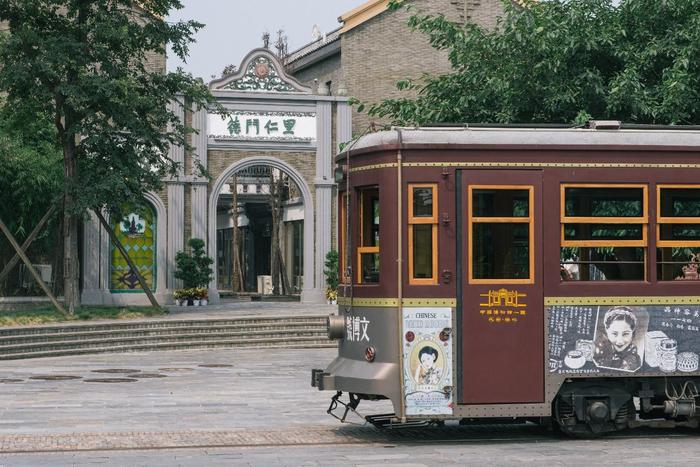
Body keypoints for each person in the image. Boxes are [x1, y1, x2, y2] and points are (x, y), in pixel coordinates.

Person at [594, 306, 642, 371]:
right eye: (614, 334)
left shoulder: (634, 360)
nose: (620, 341)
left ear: (632, 332)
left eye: (625, 334)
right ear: (607, 331)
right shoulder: (598, 350)